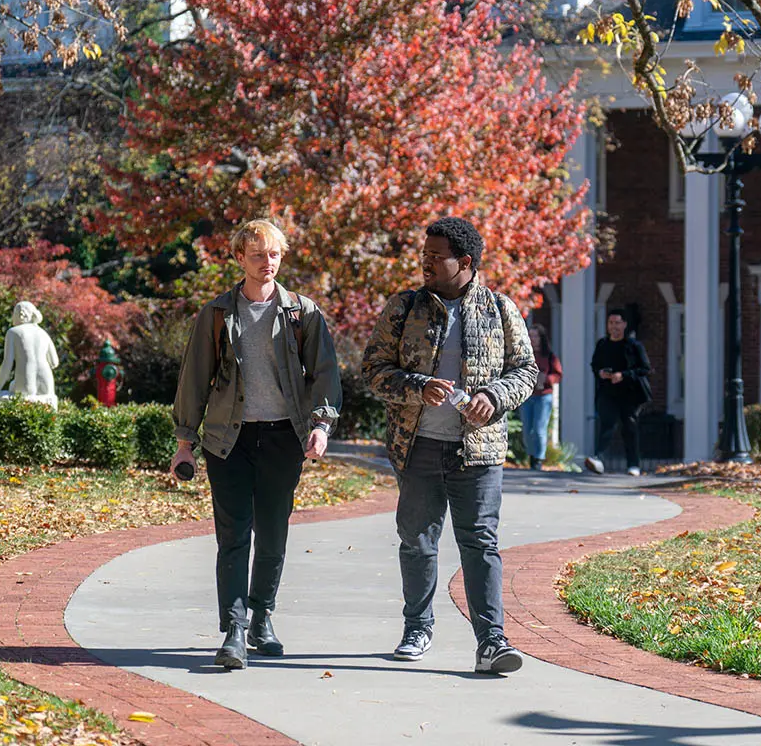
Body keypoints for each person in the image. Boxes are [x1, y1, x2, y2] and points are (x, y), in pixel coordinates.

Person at [362, 217, 538, 675]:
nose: (425, 263)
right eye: (424, 255)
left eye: (435, 257)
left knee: (480, 543)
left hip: (478, 452)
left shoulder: (500, 309)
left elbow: (526, 372)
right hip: (417, 445)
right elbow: (374, 369)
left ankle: (491, 642)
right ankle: (417, 627)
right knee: (417, 542)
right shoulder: (404, 307)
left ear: (464, 262)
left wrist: (492, 397)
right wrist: (417, 386)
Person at [171, 219, 342, 670]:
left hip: (284, 437)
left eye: (273, 255)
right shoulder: (216, 313)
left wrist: (321, 425)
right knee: (233, 536)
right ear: (239, 258)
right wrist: (185, 441)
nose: (266, 263)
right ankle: (234, 629)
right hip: (229, 439)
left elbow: (325, 374)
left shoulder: (302, 313)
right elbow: (195, 377)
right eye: (256, 255)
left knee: (272, 534)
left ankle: (262, 616)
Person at [585, 308, 652, 477]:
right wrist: (601, 373)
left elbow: (645, 369)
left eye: (617, 323)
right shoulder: (602, 344)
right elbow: (594, 365)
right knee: (607, 423)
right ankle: (598, 458)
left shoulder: (634, 346)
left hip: (630, 394)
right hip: (608, 392)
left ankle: (633, 464)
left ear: (624, 325)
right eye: (611, 323)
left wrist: (623, 375)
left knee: (629, 427)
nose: (614, 326)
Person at [0, 301, 59, 411]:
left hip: (26, 380)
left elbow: (8, 363)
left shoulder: (13, 332)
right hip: (46, 382)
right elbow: (54, 362)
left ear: (21, 314)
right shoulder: (43, 333)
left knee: (8, 391)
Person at [520, 324, 562, 470]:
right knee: (527, 429)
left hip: (543, 397)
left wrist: (546, 379)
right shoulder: (524, 355)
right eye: (530, 336)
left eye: (535, 336)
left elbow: (558, 375)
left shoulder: (549, 356)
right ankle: (531, 455)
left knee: (539, 429)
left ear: (541, 338)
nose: (533, 339)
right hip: (527, 396)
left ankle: (538, 458)